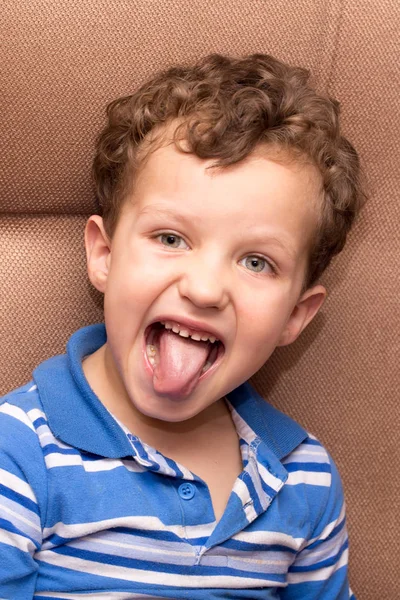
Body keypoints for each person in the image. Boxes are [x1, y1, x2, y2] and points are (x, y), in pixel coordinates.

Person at [0, 53, 364, 599]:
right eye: (171, 238)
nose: (204, 288)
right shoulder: (20, 454)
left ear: (295, 316)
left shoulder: (304, 480)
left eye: (256, 262)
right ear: (104, 254)